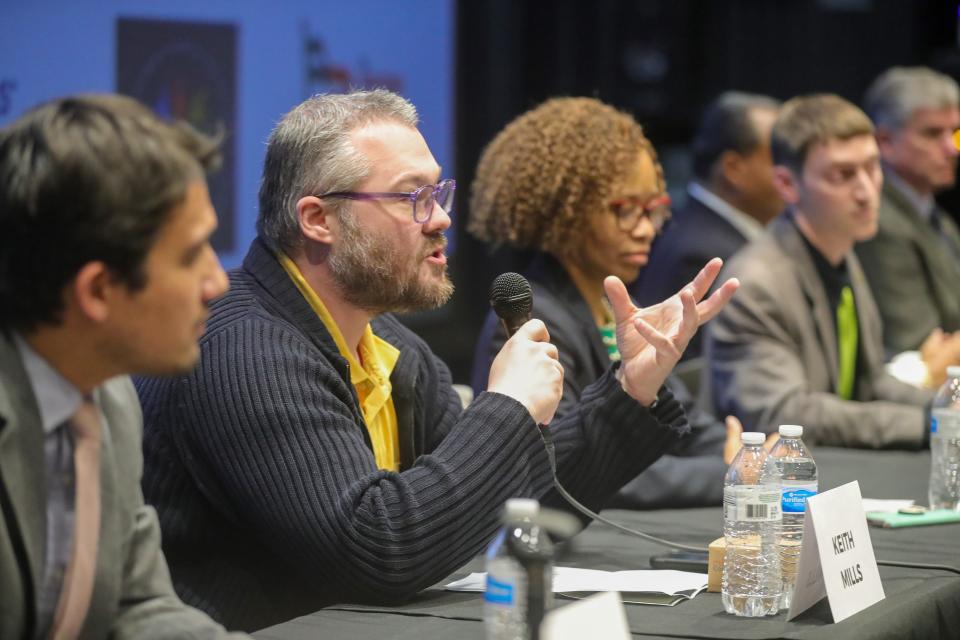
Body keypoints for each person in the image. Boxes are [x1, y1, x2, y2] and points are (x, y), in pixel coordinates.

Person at [135, 89, 735, 631]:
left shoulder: (390, 344)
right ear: (318, 220)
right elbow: (378, 550)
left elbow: (519, 509)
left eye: (438, 192)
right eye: (412, 198)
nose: (441, 218)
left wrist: (629, 388)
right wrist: (505, 408)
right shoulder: (246, 348)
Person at [0, 95, 242, 638]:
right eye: (191, 255)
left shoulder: (110, 397)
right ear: (99, 290)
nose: (218, 282)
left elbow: (136, 605)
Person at [467, 96, 744, 509]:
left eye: (655, 209)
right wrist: (730, 474)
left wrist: (746, 451)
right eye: (626, 210)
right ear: (567, 210)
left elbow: (679, 420)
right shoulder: (535, 323)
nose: (646, 229)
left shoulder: (612, 303)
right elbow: (570, 467)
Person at [704, 94, 933, 448]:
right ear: (787, 184)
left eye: (872, 168)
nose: (867, 191)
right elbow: (785, 414)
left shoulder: (842, 254)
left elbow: (868, 382)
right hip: (769, 490)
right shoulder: (756, 283)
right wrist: (927, 425)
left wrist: (943, 410)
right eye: (843, 175)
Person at [632, 92, 781, 359]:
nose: (789, 172)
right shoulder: (702, 254)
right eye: (778, 158)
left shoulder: (685, 223)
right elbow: (691, 380)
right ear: (733, 168)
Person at [856, 67, 960, 383]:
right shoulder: (877, 221)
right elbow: (919, 345)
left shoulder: (937, 216)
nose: (952, 149)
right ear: (884, 141)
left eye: (956, 133)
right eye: (932, 133)